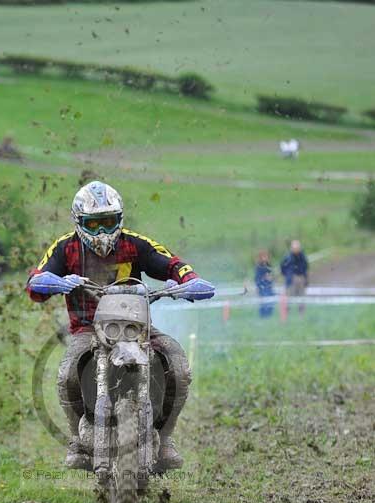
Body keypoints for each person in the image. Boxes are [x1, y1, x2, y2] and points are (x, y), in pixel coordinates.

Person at [26, 180, 213, 471]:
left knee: (178, 366)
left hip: (137, 327)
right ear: (79, 223)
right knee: (66, 376)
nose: (101, 231)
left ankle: (164, 440)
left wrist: (189, 282)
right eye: (93, 224)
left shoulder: (135, 243)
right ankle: (77, 439)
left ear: (119, 219)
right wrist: (56, 282)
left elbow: (173, 264)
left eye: (108, 222)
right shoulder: (65, 248)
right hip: (88, 328)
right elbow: (36, 281)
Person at [281, 239, 309, 312]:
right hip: (291, 279)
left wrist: (305, 278)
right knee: (288, 298)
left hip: (301, 278)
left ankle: (301, 315)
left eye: (297, 248)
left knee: (301, 298)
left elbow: (306, 267)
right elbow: (282, 267)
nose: (296, 249)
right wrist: (287, 275)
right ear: (291, 248)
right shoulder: (287, 257)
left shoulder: (303, 257)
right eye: (294, 248)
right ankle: (286, 315)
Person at [254, 250, 275, 318]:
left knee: (270, 300)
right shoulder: (259, 267)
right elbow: (257, 279)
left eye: (266, 257)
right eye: (263, 257)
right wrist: (264, 279)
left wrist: (270, 279)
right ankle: (263, 315)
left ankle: (269, 314)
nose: (265, 258)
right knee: (263, 301)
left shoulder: (269, 266)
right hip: (262, 287)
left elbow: (271, 276)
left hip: (269, 287)